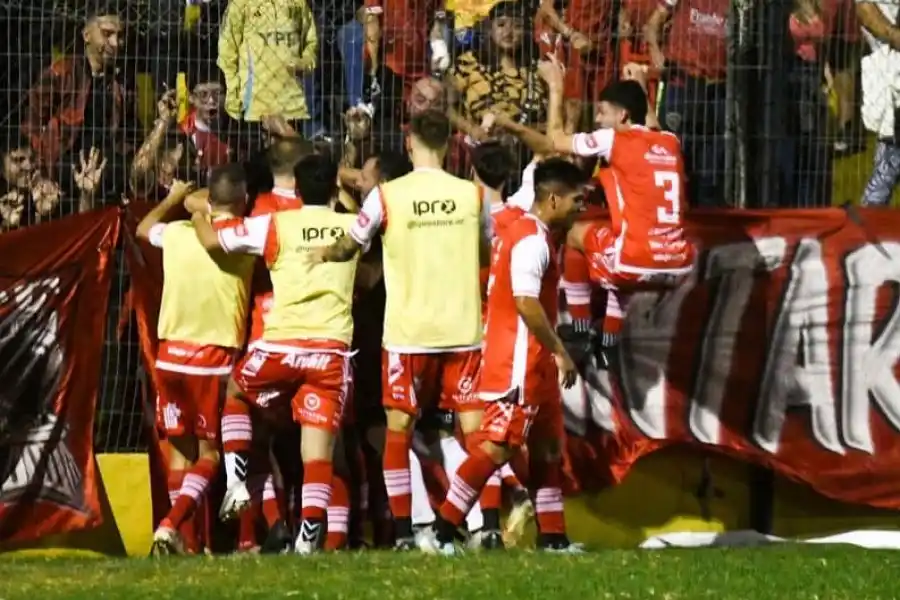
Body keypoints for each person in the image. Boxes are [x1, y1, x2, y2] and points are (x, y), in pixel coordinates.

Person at [313, 109, 491, 550]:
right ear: (449, 145)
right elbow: (487, 249)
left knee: (398, 428)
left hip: (409, 331)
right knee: (474, 430)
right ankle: (485, 527)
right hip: (463, 327)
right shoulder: (472, 195)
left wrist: (324, 254)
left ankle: (407, 533)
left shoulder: (388, 197)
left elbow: (351, 244)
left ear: (410, 144)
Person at [190, 154, 364, 554]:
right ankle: (307, 540)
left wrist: (197, 212)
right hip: (331, 351)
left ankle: (236, 484)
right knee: (317, 450)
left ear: (298, 191)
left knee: (235, 390)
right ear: (333, 190)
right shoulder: (352, 227)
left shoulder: (275, 225)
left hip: (282, 344)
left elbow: (214, 240)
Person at [426, 157, 587, 555]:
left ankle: (554, 539)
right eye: (576, 200)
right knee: (497, 448)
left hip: (536, 364)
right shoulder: (531, 239)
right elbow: (526, 302)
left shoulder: (531, 230)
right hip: (519, 363)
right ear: (552, 199)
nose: (581, 207)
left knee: (548, 447)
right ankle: (442, 530)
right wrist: (560, 351)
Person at [136, 165, 255, 555]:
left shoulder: (178, 232)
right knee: (209, 455)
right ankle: (170, 527)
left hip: (170, 357)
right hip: (212, 357)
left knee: (179, 454)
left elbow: (142, 229)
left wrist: (174, 199)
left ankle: (186, 546)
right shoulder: (241, 238)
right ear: (243, 200)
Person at [217, 136, 312, 553]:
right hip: (321, 336)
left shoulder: (259, 213)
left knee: (254, 436)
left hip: (268, 335)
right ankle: (309, 536)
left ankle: (255, 524)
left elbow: (217, 232)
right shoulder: (321, 210)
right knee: (325, 451)